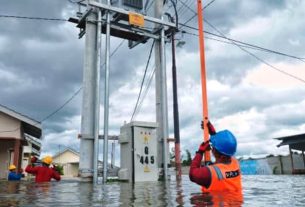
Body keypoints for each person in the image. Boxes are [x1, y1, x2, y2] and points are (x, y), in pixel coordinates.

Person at [189, 122, 242, 193]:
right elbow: (226, 147)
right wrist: (213, 134)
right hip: (237, 202)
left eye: (213, 147)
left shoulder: (209, 173)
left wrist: (200, 152)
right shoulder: (235, 163)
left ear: (220, 155)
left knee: (195, 200)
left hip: (215, 202)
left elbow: (192, 174)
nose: (212, 147)